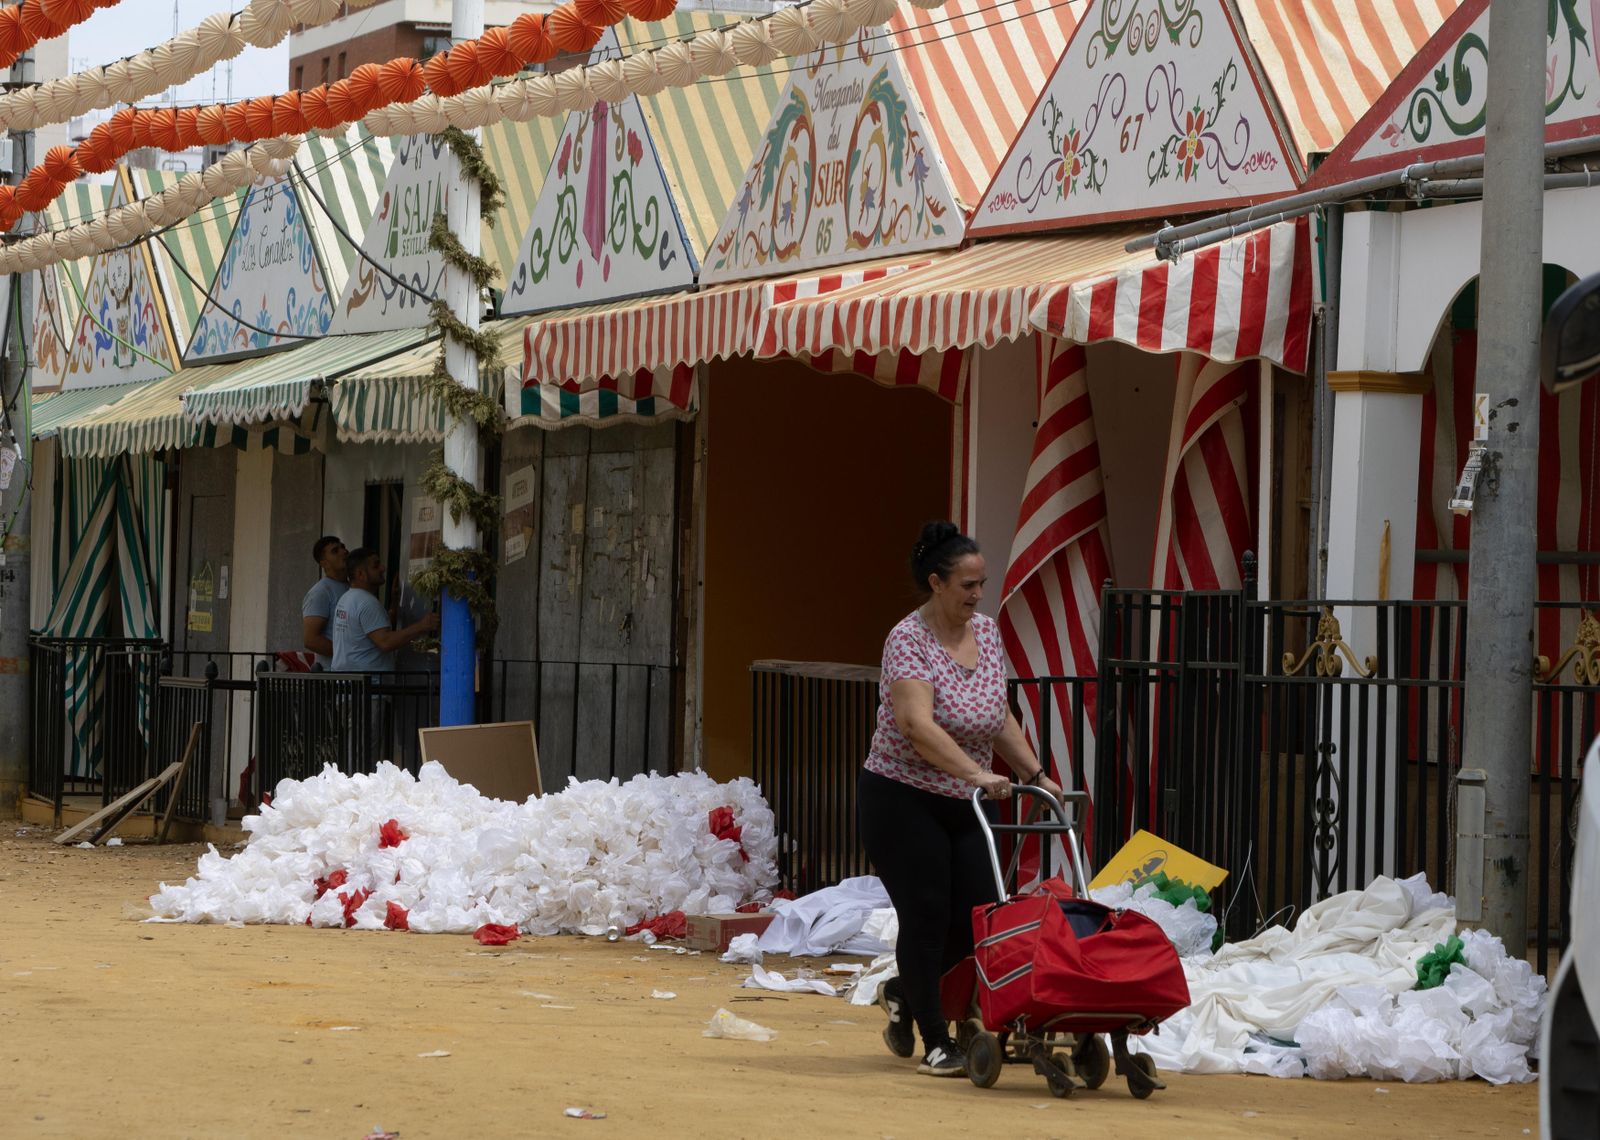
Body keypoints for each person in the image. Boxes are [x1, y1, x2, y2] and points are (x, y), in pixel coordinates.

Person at [859, 521, 1064, 1078]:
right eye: (967, 585)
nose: (977, 595)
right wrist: (977, 772)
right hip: (903, 797)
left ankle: (904, 992)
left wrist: (1035, 773)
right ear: (937, 583)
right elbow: (915, 724)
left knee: (977, 915)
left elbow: (995, 717)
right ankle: (935, 1038)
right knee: (925, 912)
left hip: (968, 797)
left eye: (982, 584)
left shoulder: (988, 633)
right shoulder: (908, 640)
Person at [331, 548, 439, 673]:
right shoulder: (367, 601)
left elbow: (375, 628)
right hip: (370, 688)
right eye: (376, 566)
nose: (383, 568)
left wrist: (394, 601)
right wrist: (422, 626)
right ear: (361, 574)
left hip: (351, 685)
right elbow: (385, 642)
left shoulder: (347, 598)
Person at [301, 536, 349, 670]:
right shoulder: (320, 592)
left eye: (343, 547)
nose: (344, 552)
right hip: (334, 679)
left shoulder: (353, 587)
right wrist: (352, 653)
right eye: (335, 551)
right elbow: (311, 640)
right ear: (324, 563)